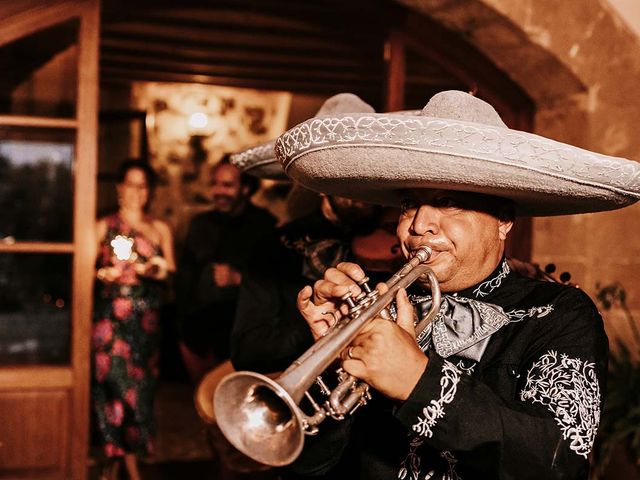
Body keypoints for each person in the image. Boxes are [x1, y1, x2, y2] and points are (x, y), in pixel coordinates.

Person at [270, 90, 640, 479]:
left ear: (503, 219)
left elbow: (560, 460)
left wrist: (418, 381)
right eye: (409, 204)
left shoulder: (560, 313)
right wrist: (329, 366)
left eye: (448, 202)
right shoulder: (375, 301)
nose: (417, 225)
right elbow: (309, 467)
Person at [92, 159, 176, 480]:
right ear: (119, 188)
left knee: (140, 391)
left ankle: (114, 464)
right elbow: (87, 272)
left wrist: (155, 269)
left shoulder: (159, 229)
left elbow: (170, 269)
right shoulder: (103, 226)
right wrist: (105, 274)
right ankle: (129, 468)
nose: (137, 192)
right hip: (110, 321)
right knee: (113, 388)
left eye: (143, 185)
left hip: (146, 323)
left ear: (149, 191)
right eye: (131, 184)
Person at [176, 154, 277, 383]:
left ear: (246, 188)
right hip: (197, 336)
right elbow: (184, 278)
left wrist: (240, 278)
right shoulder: (199, 224)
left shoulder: (265, 226)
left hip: (239, 341)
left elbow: (275, 288)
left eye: (228, 185)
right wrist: (183, 334)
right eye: (215, 184)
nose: (219, 191)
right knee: (202, 405)